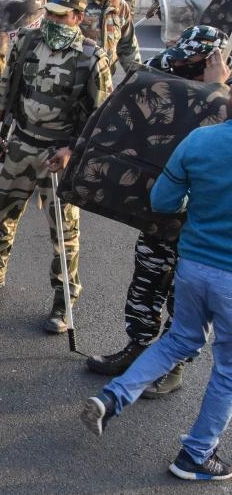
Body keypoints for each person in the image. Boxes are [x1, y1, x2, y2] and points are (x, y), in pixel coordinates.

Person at [81, 63, 232, 481]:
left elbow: (164, 200)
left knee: (179, 340)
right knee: (227, 370)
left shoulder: (200, 141)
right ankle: (196, 455)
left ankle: (113, 397)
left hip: (194, 265)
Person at [0, 0, 113, 333]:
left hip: (58, 156)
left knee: (63, 230)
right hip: (21, 143)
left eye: (61, 16)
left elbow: (100, 120)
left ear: (78, 18)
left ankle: (64, 301)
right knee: (3, 213)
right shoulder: (27, 42)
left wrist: (71, 152)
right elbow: (5, 87)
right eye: (49, 14)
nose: (52, 21)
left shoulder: (92, 58)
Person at [79, 0, 140, 76]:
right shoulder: (79, 2)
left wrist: (135, 75)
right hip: (80, 72)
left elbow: (128, 45)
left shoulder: (120, 6)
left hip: (106, 74)